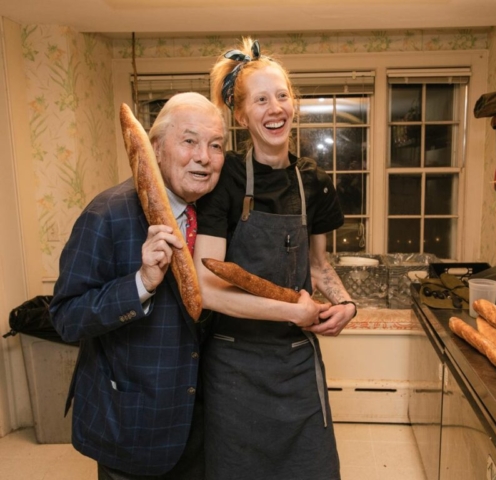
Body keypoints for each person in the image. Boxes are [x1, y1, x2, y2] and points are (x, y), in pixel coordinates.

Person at [193, 38, 357, 480]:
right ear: (241, 115)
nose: (275, 108)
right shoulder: (223, 178)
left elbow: (320, 267)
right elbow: (206, 289)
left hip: (296, 363)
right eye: (260, 99)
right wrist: (292, 310)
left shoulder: (314, 182)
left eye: (282, 96)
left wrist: (346, 305)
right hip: (234, 365)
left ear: (295, 104)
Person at [49, 92, 226, 479]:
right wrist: (141, 283)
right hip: (131, 423)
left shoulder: (217, 216)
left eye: (216, 145)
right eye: (190, 141)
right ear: (156, 147)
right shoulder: (107, 214)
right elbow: (65, 317)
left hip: (201, 425)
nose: (205, 157)